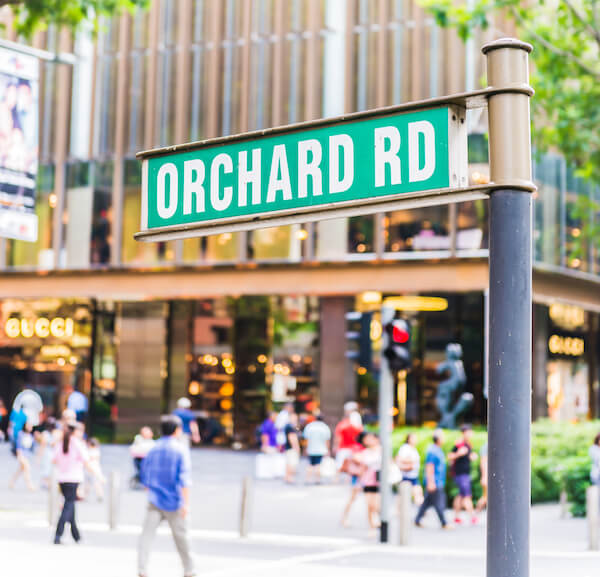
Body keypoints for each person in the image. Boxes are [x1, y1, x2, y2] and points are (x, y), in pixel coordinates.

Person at [138, 415, 195, 577]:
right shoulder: (180, 450)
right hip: (175, 501)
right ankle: (189, 569)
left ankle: (142, 569)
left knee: (146, 536)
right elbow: (184, 480)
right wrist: (186, 504)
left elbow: (144, 475)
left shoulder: (153, 449)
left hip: (154, 499)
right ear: (177, 430)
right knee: (182, 537)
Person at [53, 422, 90, 544]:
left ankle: (76, 536)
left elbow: (54, 459)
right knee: (68, 506)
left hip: (62, 479)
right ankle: (58, 534)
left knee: (70, 506)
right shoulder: (77, 444)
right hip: (73, 478)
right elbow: (86, 459)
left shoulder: (61, 442)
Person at [415, 430, 451, 529]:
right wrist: (431, 482)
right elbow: (429, 466)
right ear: (438, 439)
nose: (444, 439)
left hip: (438, 481)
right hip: (435, 482)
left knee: (427, 502)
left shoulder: (438, 450)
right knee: (439, 502)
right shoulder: (433, 451)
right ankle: (444, 523)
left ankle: (417, 520)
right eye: (442, 437)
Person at [448, 424, 478, 525]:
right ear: (464, 433)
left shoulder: (467, 444)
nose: (470, 434)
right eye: (468, 432)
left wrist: (470, 456)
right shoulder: (459, 444)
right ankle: (472, 516)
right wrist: (458, 454)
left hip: (464, 473)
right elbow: (450, 456)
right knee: (466, 495)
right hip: (460, 474)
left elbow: (467, 456)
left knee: (460, 495)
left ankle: (456, 517)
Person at [355, 431, 382, 533]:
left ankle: (378, 521)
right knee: (369, 506)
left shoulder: (381, 451)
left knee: (377, 505)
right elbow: (362, 468)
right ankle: (371, 527)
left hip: (379, 481)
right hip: (368, 480)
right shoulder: (365, 452)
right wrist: (359, 482)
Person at [334, 402, 363, 476]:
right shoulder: (356, 425)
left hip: (345, 448)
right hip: (352, 448)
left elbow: (338, 437)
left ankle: (337, 480)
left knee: (340, 466)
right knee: (350, 467)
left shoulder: (342, 425)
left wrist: (335, 447)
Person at [303, 414, 331, 484]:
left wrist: (305, 448)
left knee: (310, 464)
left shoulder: (309, 426)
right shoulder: (325, 427)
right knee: (318, 465)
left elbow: (306, 439)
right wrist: (328, 449)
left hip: (311, 449)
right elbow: (327, 440)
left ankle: (307, 479)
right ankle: (317, 480)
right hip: (321, 449)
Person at [396, 433, 423, 505]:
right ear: (408, 439)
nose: (415, 440)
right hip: (406, 476)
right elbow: (399, 459)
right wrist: (411, 461)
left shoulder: (413, 448)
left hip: (413, 475)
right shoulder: (405, 448)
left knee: (417, 494)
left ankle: (421, 510)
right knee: (404, 496)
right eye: (413, 438)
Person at [9, 420, 36, 491]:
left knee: (20, 470)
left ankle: (12, 482)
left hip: (27, 455)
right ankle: (30, 485)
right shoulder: (21, 434)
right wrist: (19, 455)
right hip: (21, 455)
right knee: (27, 469)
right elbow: (18, 445)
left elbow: (32, 446)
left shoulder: (30, 436)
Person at [283, 412, 301, 484]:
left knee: (288, 463)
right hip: (291, 448)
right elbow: (292, 438)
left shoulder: (288, 426)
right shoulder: (290, 427)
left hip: (288, 448)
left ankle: (287, 477)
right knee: (292, 463)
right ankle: (290, 477)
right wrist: (296, 448)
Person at [476, 441, 488, 512]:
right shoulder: (486, 446)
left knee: (486, 497)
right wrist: (484, 476)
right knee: (485, 497)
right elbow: (483, 462)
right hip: (487, 477)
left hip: (489, 476)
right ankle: (475, 514)